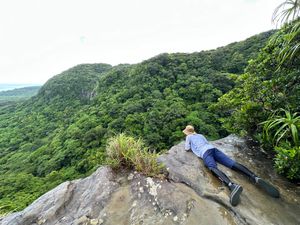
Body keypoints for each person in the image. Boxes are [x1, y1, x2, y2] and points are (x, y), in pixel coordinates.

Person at [183, 125, 280, 206]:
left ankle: (231, 185)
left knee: (212, 167)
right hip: (213, 149)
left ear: (187, 132)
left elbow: (187, 148)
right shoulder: (200, 135)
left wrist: (191, 145)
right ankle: (254, 177)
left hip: (205, 153)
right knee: (231, 163)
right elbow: (207, 143)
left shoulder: (188, 137)